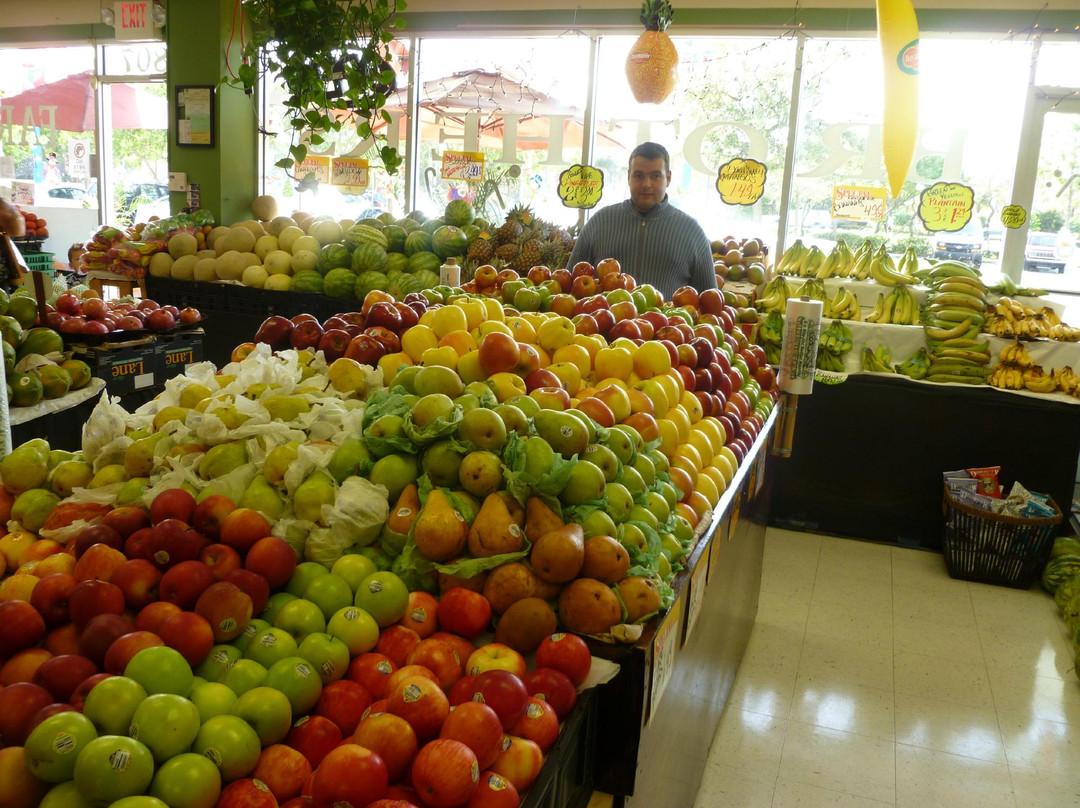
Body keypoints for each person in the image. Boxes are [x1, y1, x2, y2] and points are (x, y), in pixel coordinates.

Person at [567, 142, 715, 300]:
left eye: (655, 176)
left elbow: (710, 300)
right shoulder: (600, 222)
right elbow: (569, 286)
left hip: (669, 324)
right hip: (604, 323)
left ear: (668, 178)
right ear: (628, 177)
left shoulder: (691, 231)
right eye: (638, 175)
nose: (646, 184)